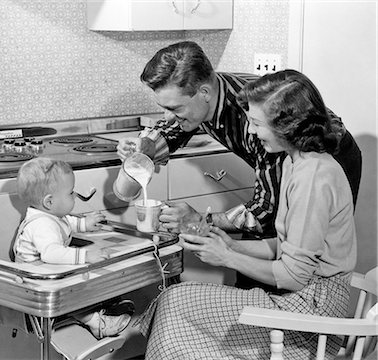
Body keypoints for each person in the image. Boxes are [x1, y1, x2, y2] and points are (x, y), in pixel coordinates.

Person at [135, 69, 357, 359]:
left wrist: (227, 257)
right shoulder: (294, 163)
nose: (250, 132)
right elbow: (286, 246)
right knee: (174, 305)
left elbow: (294, 275)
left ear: (286, 126)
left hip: (313, 312)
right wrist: (229, 244)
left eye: (256, 124)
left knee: (175, 302)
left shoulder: (313, 178)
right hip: (301, 299)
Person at [118, 41, 361, 290]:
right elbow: (168, 132)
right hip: (288, 161)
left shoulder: (263, 126)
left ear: (204, 93)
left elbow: (263, 213)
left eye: (174, 108)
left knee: (290, 266)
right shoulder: (202, 95)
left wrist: (204, 219)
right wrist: (143, 148)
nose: (168, 117)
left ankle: (299, 319)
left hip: (327, 150)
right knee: (261, 262)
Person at [13, 158, 133, 339]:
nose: (75, 196)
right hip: (36, 282)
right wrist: (85, 255)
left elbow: (67, 222)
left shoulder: (51, 215)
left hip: (47, 270)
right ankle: (96, 322)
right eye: (70, 193)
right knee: (71, 294)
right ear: (49, 202)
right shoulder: (42, 224)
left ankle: (105, 307)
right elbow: (52, 253)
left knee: (79, 282)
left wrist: (85, 223)